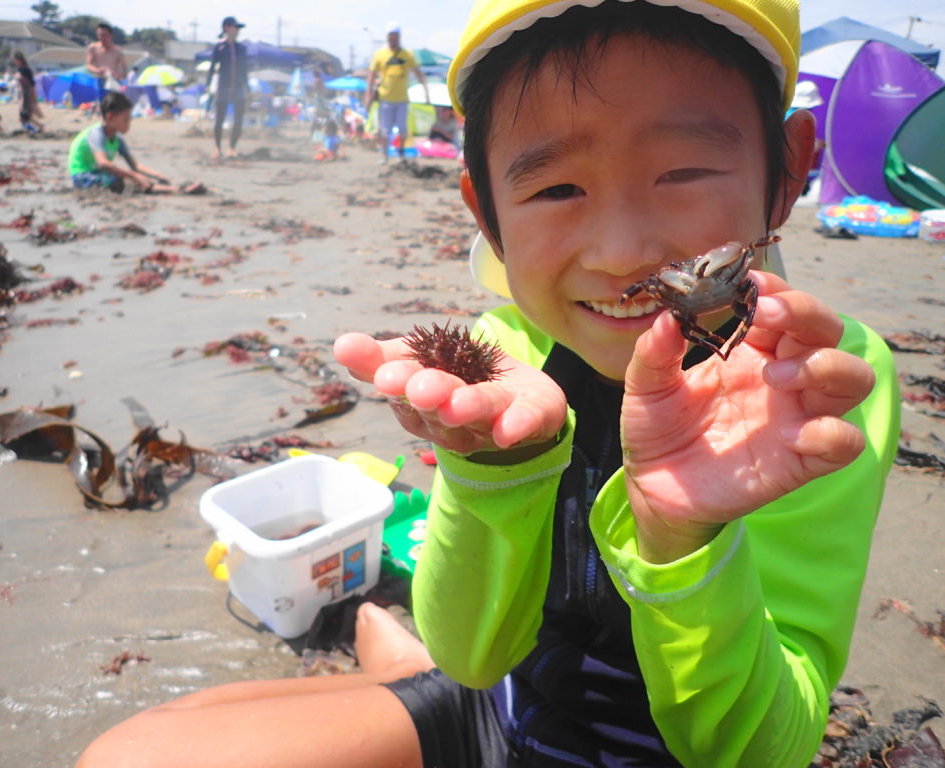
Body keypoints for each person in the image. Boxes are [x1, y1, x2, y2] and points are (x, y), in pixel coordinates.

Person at [75, 1, 900, 766]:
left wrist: (688, 543)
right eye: (557, 187)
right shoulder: (501, 353)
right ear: (486, 211)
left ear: (789, 169)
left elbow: (769, 751)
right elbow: (475, 657)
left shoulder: (811, 385)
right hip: (499, 709)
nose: (619, 250)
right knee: (131, 753)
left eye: (682, 172)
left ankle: (389, 652)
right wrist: (490, 471)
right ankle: (391, 649)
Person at [67, 91, 204, 195]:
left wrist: (157, 175)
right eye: (126, 120)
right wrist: (134, 176)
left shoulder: (117, 139)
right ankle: (177, 191)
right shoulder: (96, 134)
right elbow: (103, 162)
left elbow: (135, 165)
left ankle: (172, 188)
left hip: (99, 173)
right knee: (124, 181)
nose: (129, 124)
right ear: (110, 117)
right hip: (82, 176)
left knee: (137, 179)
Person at [365, 22, 430, 164]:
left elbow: (418, 72)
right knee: (384, 130)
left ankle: (400, 154)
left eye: (395, 36)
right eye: (390, 36)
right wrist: (368, 94)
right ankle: (384, 156)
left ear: (399, 37)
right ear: (387, 37)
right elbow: (371, 75)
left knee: (403, 129)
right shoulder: (380, 54)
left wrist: (426, 91)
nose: (392, 39)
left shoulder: (407, 54)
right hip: (385, 98)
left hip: (402, 99)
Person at [206, 16, 249, 160]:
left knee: (239, 119)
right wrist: (208, 84)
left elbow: (244, 70)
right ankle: (218, 148)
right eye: (234, 28)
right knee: (220, 118)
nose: (237, 31)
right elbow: (212, 68)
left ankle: (232, 148)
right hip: (223, 87)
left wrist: (247, 87)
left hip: (238, 87)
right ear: (226, 28)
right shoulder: (219, 47)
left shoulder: (241, 48)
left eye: (238, 28)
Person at [85, 22, 128, 105]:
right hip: (101, 79)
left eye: (104, 35)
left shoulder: (117, 51)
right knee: (103, 103)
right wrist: (97, 70)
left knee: (115, 104)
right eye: (99, 35)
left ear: (110, 35)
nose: (102, 38)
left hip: (115, 80)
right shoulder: (93, 48)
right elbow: (89, 64)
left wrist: (120, 76)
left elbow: (124, 67)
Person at [11, 51, 44, 133]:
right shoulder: (20, 70)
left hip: (26, 95)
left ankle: (35, 128)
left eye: (15, 60)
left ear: (19, 60)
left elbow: (32, 84)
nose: (14, 62)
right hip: (22, 95)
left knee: (25, 115)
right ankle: (36, 127)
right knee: (25, 115)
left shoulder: (25, 70)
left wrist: (34, 97)